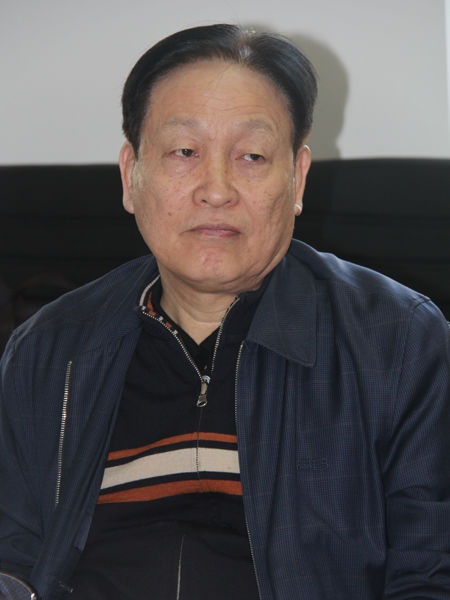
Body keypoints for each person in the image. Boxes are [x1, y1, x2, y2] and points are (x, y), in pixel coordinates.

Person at [0, 23, 449, 600]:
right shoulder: (50, 349)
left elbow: (429, 573)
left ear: (297, 179)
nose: (216, 189)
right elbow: (13, 556)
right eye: (184, 152)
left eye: (252, 156)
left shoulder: (397, 340)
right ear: (131, 176)